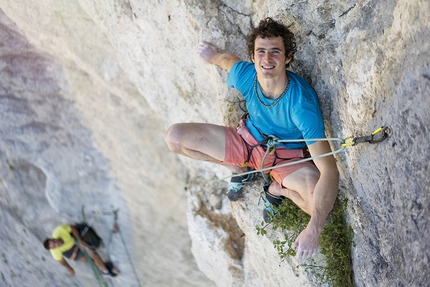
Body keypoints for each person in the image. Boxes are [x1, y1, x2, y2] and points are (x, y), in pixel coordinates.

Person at [165, 17, 339, 259]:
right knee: (174, 138)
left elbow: (329, 170)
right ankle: (239, 168)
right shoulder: (247, 76)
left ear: (288, 57)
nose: (267, 59)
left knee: (316, 206)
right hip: (246, 142)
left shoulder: (301, 104)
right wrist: (213, 56)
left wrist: (314, 230)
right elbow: (228, 61)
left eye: (275, 52)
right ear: (253, 55)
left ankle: (279, 191)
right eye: (261, 52)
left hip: (285, 160)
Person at [43, 224, 117, 277]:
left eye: (54, 241)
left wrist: (80, 240)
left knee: (93, 255)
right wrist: (70, 268)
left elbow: (73, 228)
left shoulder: (59, 231)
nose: (56, 244)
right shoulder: (55, 252)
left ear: (53, 238)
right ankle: (105, 268)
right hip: (70, 253)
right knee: (90, 261)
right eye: (54, 246)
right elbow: (62, 261)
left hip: (75, 243)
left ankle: (106, 271)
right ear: (53, 248)